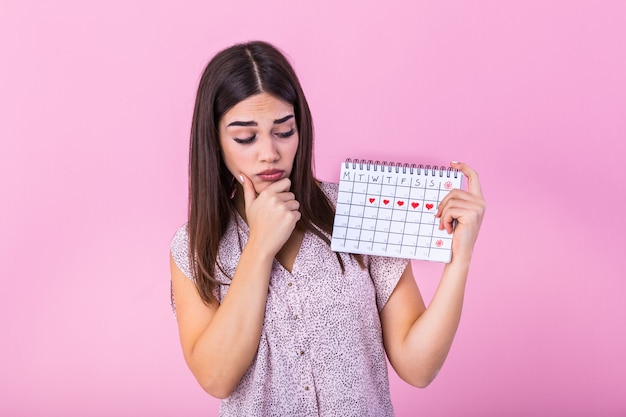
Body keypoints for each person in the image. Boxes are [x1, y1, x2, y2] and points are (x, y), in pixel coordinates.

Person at [170, 40, 486, 417]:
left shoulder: (360, 209)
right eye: (245, 137)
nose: (268, 152)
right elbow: (216, 377)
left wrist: (460, 260)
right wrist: (259, 248)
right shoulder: (194, 247)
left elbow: (418, 368)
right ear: (215, 141)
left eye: (284, 131)